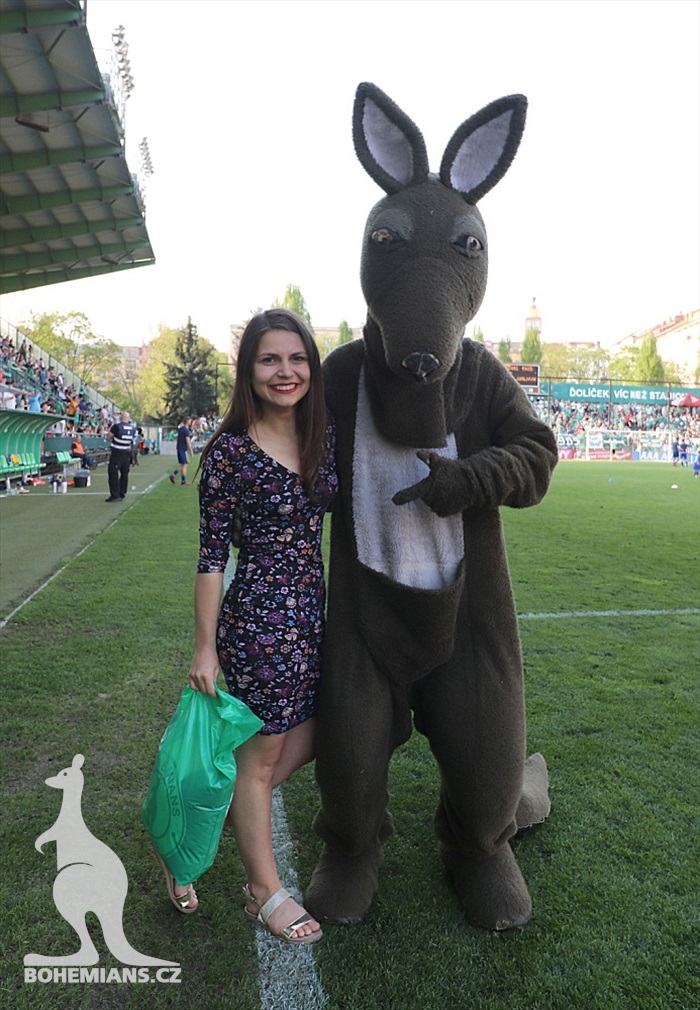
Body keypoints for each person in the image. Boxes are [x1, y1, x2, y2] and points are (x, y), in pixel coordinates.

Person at [182, 309, 337, 942]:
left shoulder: (320, 435)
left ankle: (190, 837)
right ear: (249, 370)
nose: (285, 371)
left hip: (313, 619)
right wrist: (205, 647)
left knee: (312, 739)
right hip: (261, 627)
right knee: (260, 758)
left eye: (297, 358)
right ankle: (264, 891)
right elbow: (211, 556)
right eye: (270, 359)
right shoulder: (230, 454)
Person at [106, 410, 136, 502]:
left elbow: (109, 437)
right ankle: (122, 492)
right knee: (124, 473)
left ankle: (115, 494)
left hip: (117, 452)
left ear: (121, 418)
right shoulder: (132, 428)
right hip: (126, 452)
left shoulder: (117, 427)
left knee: (113, 472)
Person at [169, 419, 193, 485]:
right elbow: (187, 440)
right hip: (183, 449)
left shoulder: (181, 429)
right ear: (187, 422)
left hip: (179, 448)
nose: (191, 422)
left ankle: (174, 475)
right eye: (190, 421)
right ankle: (183, 481)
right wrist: (191, 450)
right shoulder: (186, 430)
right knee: (185, 464)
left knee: (183, 464)